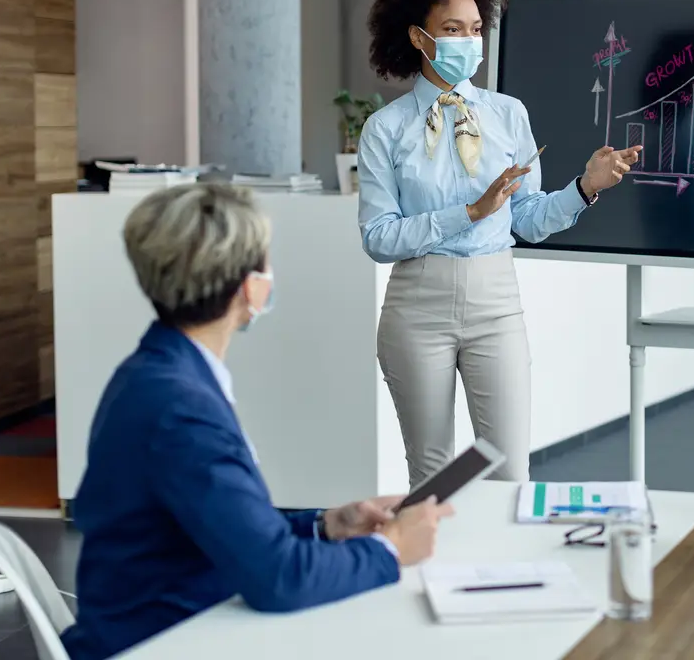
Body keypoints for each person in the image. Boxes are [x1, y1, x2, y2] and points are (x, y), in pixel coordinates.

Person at [62, 184, 453, 660]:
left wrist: (326, 525)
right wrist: (391, 548)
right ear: (250, 288)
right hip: (161, 640)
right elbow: (278, 578)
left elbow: (226, 523)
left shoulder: (159, 372)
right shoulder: (181, 408)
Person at [357, 0, 641, 488]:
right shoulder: (385, 128)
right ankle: (434, 573)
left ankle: (503, 573)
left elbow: (528, 219)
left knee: (509, 469)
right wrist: (469, 212)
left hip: (496, 301)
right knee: (431, 474)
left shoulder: (509, 113)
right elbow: (378, 237)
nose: (469, 41)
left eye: (476, 28)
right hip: (417, 305)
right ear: (419, 37)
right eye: (452, 29)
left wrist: (585, 188)